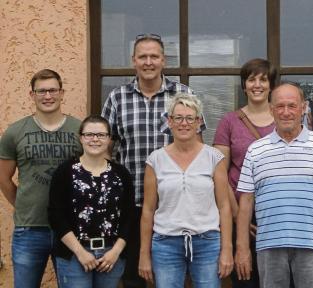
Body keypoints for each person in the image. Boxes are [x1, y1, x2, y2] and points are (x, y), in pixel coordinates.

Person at [101, 33, 206, 288]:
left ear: (163, 60)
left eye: (154, 56)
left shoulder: (183, 94)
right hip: (132, 204)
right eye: (143, 57)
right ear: (133, 60)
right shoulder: (117, 98)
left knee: (176, 280)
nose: (148, 62)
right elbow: (105, 149)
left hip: (177, 206)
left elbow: (198, 147)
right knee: (134, 278)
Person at [235, 82, 313, 288]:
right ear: (271, 110)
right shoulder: (255, 150)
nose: (286, 112)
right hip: (269, 245)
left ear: (303, 107)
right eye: (280, 106)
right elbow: (245, 202)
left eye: (292, 105)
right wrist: (242, 247)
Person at [137, 93, 233, 287]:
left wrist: (227, 249)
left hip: (207, 242)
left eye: (190, 118)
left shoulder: (214, 158)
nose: (184, 123)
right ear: (169, 121)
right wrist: (144, 254)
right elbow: (148, 210)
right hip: (166, 243)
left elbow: (224, 206)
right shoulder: (155, 160)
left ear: (198, 122)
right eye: (178, 118)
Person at [0, 69, 82, 288]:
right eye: (42, 91)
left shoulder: (79, 130)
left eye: (53, 90)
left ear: (62, 93)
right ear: (32, 95)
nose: (48, 96)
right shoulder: (15, 132)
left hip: (71, 227)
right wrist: (22, 205)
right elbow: (4, 178)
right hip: (30, 229)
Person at [48, 116, 136, 288]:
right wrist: (80, 252)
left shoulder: (121, 174)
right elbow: (55, 215)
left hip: (111, 256)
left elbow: (129, 216)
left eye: (101, 135)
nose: (95, 139)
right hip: (74, 255)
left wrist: (116, 251)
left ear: (109, 139)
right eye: (89, 134)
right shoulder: (65, 172)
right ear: (81, 138)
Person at [213, 58, 276, 288]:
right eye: (251, 80)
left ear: (271, 86)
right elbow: (220, 172)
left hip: (276, 215)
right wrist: (240, 215)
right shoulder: (229, 122)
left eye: (263, 79)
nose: (257, 85)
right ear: (243, 85)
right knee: (245, 279)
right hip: (238, 212)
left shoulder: (285, 120)